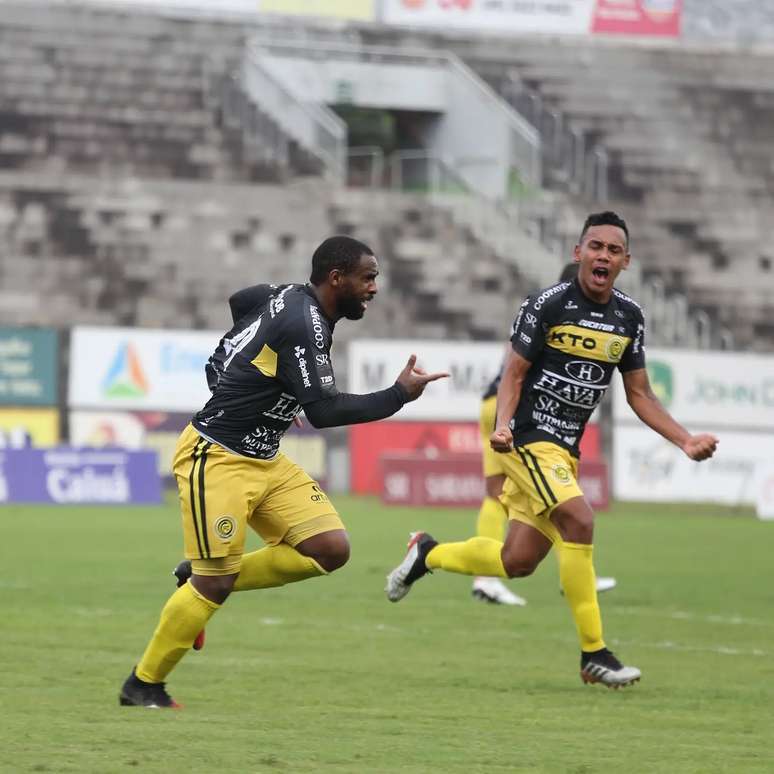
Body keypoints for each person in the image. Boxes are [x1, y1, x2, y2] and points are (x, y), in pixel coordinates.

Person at [385, 211, 718, 687]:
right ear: (578, 252)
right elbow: (514, 374)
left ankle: (427, 554)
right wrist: (501, 427)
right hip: (526, 436)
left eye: (614, 250)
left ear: (627, 260)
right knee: (579, 518)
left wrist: (685, 439)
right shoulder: (547, 304)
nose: (604, 255)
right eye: (595, 246)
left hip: (565, 448)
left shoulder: (629, 317)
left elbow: (640, 394)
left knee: (517, 562)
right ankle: (594, 654)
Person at [119, 236, 448, 708]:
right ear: (337, 278)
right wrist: (399, 394)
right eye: (368, 277)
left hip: (265, 458)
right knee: (215, 584)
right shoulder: (305, 322)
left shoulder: (287, 295)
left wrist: (260, 376)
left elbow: (242, 302)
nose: (374, 288)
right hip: (217, 457)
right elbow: (325, 412)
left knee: (329, 549)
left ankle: (197, 572)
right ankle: (143, 685)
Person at [471, 261, 616, 606]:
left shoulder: (538, 307)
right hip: (517, 411)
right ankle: (490, 579)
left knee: (530, 496)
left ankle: (571, 575)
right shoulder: (560, 312)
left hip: (496, 402)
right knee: (557, 498)